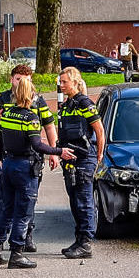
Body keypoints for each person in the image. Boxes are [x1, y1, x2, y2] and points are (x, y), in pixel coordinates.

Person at [0, 66, 73, 267]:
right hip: (25, 166)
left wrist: (2, 157)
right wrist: (58, 152)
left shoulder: (7, 114)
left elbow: (1, 142)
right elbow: (36, 144)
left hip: (7, 164)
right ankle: (16, 253)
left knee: (6, 208)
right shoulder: (30, 118)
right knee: (23, 211)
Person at [54, 67, 105, 259]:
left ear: (75, 82)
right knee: (75, 201)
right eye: (61, 81)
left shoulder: (84, 103)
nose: (61, 84)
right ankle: (78, 239)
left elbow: (99, 130)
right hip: (71, 160)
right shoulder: (67, 105)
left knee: (84, 201)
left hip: (84, 158)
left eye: (64, 81)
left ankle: (85, 244)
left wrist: (99, 155)